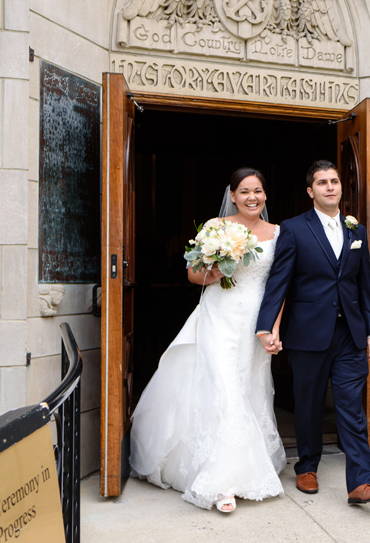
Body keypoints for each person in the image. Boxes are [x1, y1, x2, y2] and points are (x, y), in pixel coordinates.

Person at [129, 168, 286, 513]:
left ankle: (248, 466)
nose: (252, 197)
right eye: (244, 191)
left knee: (249, 387)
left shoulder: (278, 233)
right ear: (232, 195)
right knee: (224, 389)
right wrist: (215, 270)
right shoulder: (216, 227)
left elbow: (280, 286)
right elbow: (193, 274)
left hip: (255, 322)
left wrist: (272, 327)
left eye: (258, 191)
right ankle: (221, 482)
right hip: (219, 315)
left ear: (265, 195)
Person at [256, 160, 370, 504]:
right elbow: (279, 282)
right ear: (310, 191)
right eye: (322, 182)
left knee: (350, 407)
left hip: (350, 335)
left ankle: (361, 482)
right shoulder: (294, 229)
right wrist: (266, 326)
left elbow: (364, 288)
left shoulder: (356, 231)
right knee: (309, 404)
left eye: (334, 181)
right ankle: (307, 466)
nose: (330, 186)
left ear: (341, 187)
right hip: (308, 334)